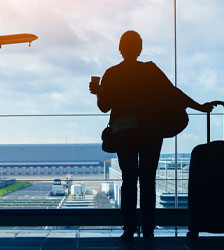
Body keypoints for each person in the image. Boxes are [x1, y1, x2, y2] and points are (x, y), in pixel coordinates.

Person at [89, 30, 214, 240]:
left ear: (120, 49)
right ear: (140, 48)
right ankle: (148, 228)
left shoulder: (111, 73)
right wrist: (198, 107)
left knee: (129, 181)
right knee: (148, 180)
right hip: (150, 131)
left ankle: (128, 228)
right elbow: (173, 92)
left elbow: (104, 107)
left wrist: (99, 91)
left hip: (124, 132)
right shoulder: (150, 70)